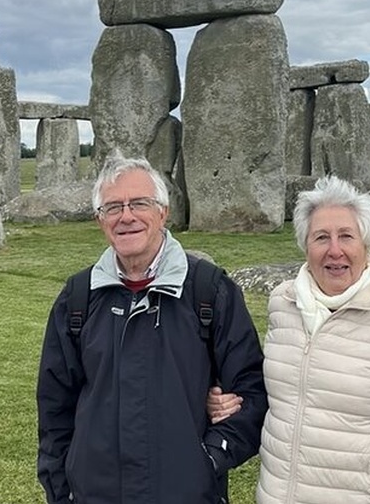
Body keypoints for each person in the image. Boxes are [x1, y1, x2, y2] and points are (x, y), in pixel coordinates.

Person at [209, 175, 370, 503]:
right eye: (321, 237)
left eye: (346, 236)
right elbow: (284, 395)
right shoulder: (284, 304)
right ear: (305, 245)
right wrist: (224, 402)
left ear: (366, 243)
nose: (334, 251)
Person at [36, 154, 268, 504]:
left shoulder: (209, 290)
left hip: (186, 493)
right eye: (113, 207)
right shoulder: (77, 298)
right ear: (101, 220)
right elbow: (54, 408)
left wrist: (210, 458)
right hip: (94, 493)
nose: (126, 216)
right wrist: (61, 488)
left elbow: (252, 391)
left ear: (163, 211)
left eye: (139, 203)